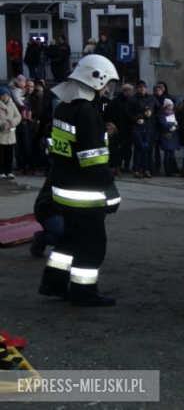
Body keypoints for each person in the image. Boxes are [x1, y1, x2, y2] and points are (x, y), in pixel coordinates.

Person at [38, 54, 121, 306]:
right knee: (92, 245)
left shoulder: (63, 108)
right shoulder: (87, 113)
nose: (107, 89)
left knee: (68, 241)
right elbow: (93, 160)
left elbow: (59, 149)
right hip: (86, 195)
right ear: (95, 80)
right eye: (106, 83)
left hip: (63, 190)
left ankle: (53, 284)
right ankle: (84, 292)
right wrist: (111, 191)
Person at [30, 176, 65, 258]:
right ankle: (41, 238)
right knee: (60, 233)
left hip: (73, 210)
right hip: (51, 209)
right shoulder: (63, 168)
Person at [105, 84, 135, 175]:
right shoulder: (116, 101)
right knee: (117, 149)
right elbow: (109, 113)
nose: (129, 92)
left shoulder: (132, 101)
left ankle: (126, 165)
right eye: (127, 90)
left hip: (129, 128)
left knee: (128, 149)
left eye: (130, 90)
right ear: (123, 91)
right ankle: (117, 166)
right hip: (118, 128)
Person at [0, 87, 22, 179]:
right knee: (0, 154)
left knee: (9, 153)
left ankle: (9, 171)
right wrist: (2, 124)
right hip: (1, 133)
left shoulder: (12, 104)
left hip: (10, 133)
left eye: (7, 95)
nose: (5, 97)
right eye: (3, 95)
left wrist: (13, 122)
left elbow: (18, 116)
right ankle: (1, 171)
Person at [159, 99, 180, 177]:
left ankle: (171, 170)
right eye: (168, 105)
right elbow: (164, 123)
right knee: (167, 154)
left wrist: (175, 126)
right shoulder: (163, 115)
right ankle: (167, 171)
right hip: (166, 136)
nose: (170, 107)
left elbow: (177, 123)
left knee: (172, 154)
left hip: (173, 136)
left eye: (171, 105)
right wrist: (171, 125)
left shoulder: (173, 114)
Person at [131, 106, 153, 178]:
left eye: (141, 119)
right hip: (138, 146)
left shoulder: (145, 126)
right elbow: (137, 136)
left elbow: (147, 134)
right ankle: (136, 170)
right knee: (137, 158)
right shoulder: (135, 127)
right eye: (138, 119)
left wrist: (146, 141)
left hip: (145, 145)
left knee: (145, 158)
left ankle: (145, 170)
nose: (140, 120)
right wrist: (141, 143)